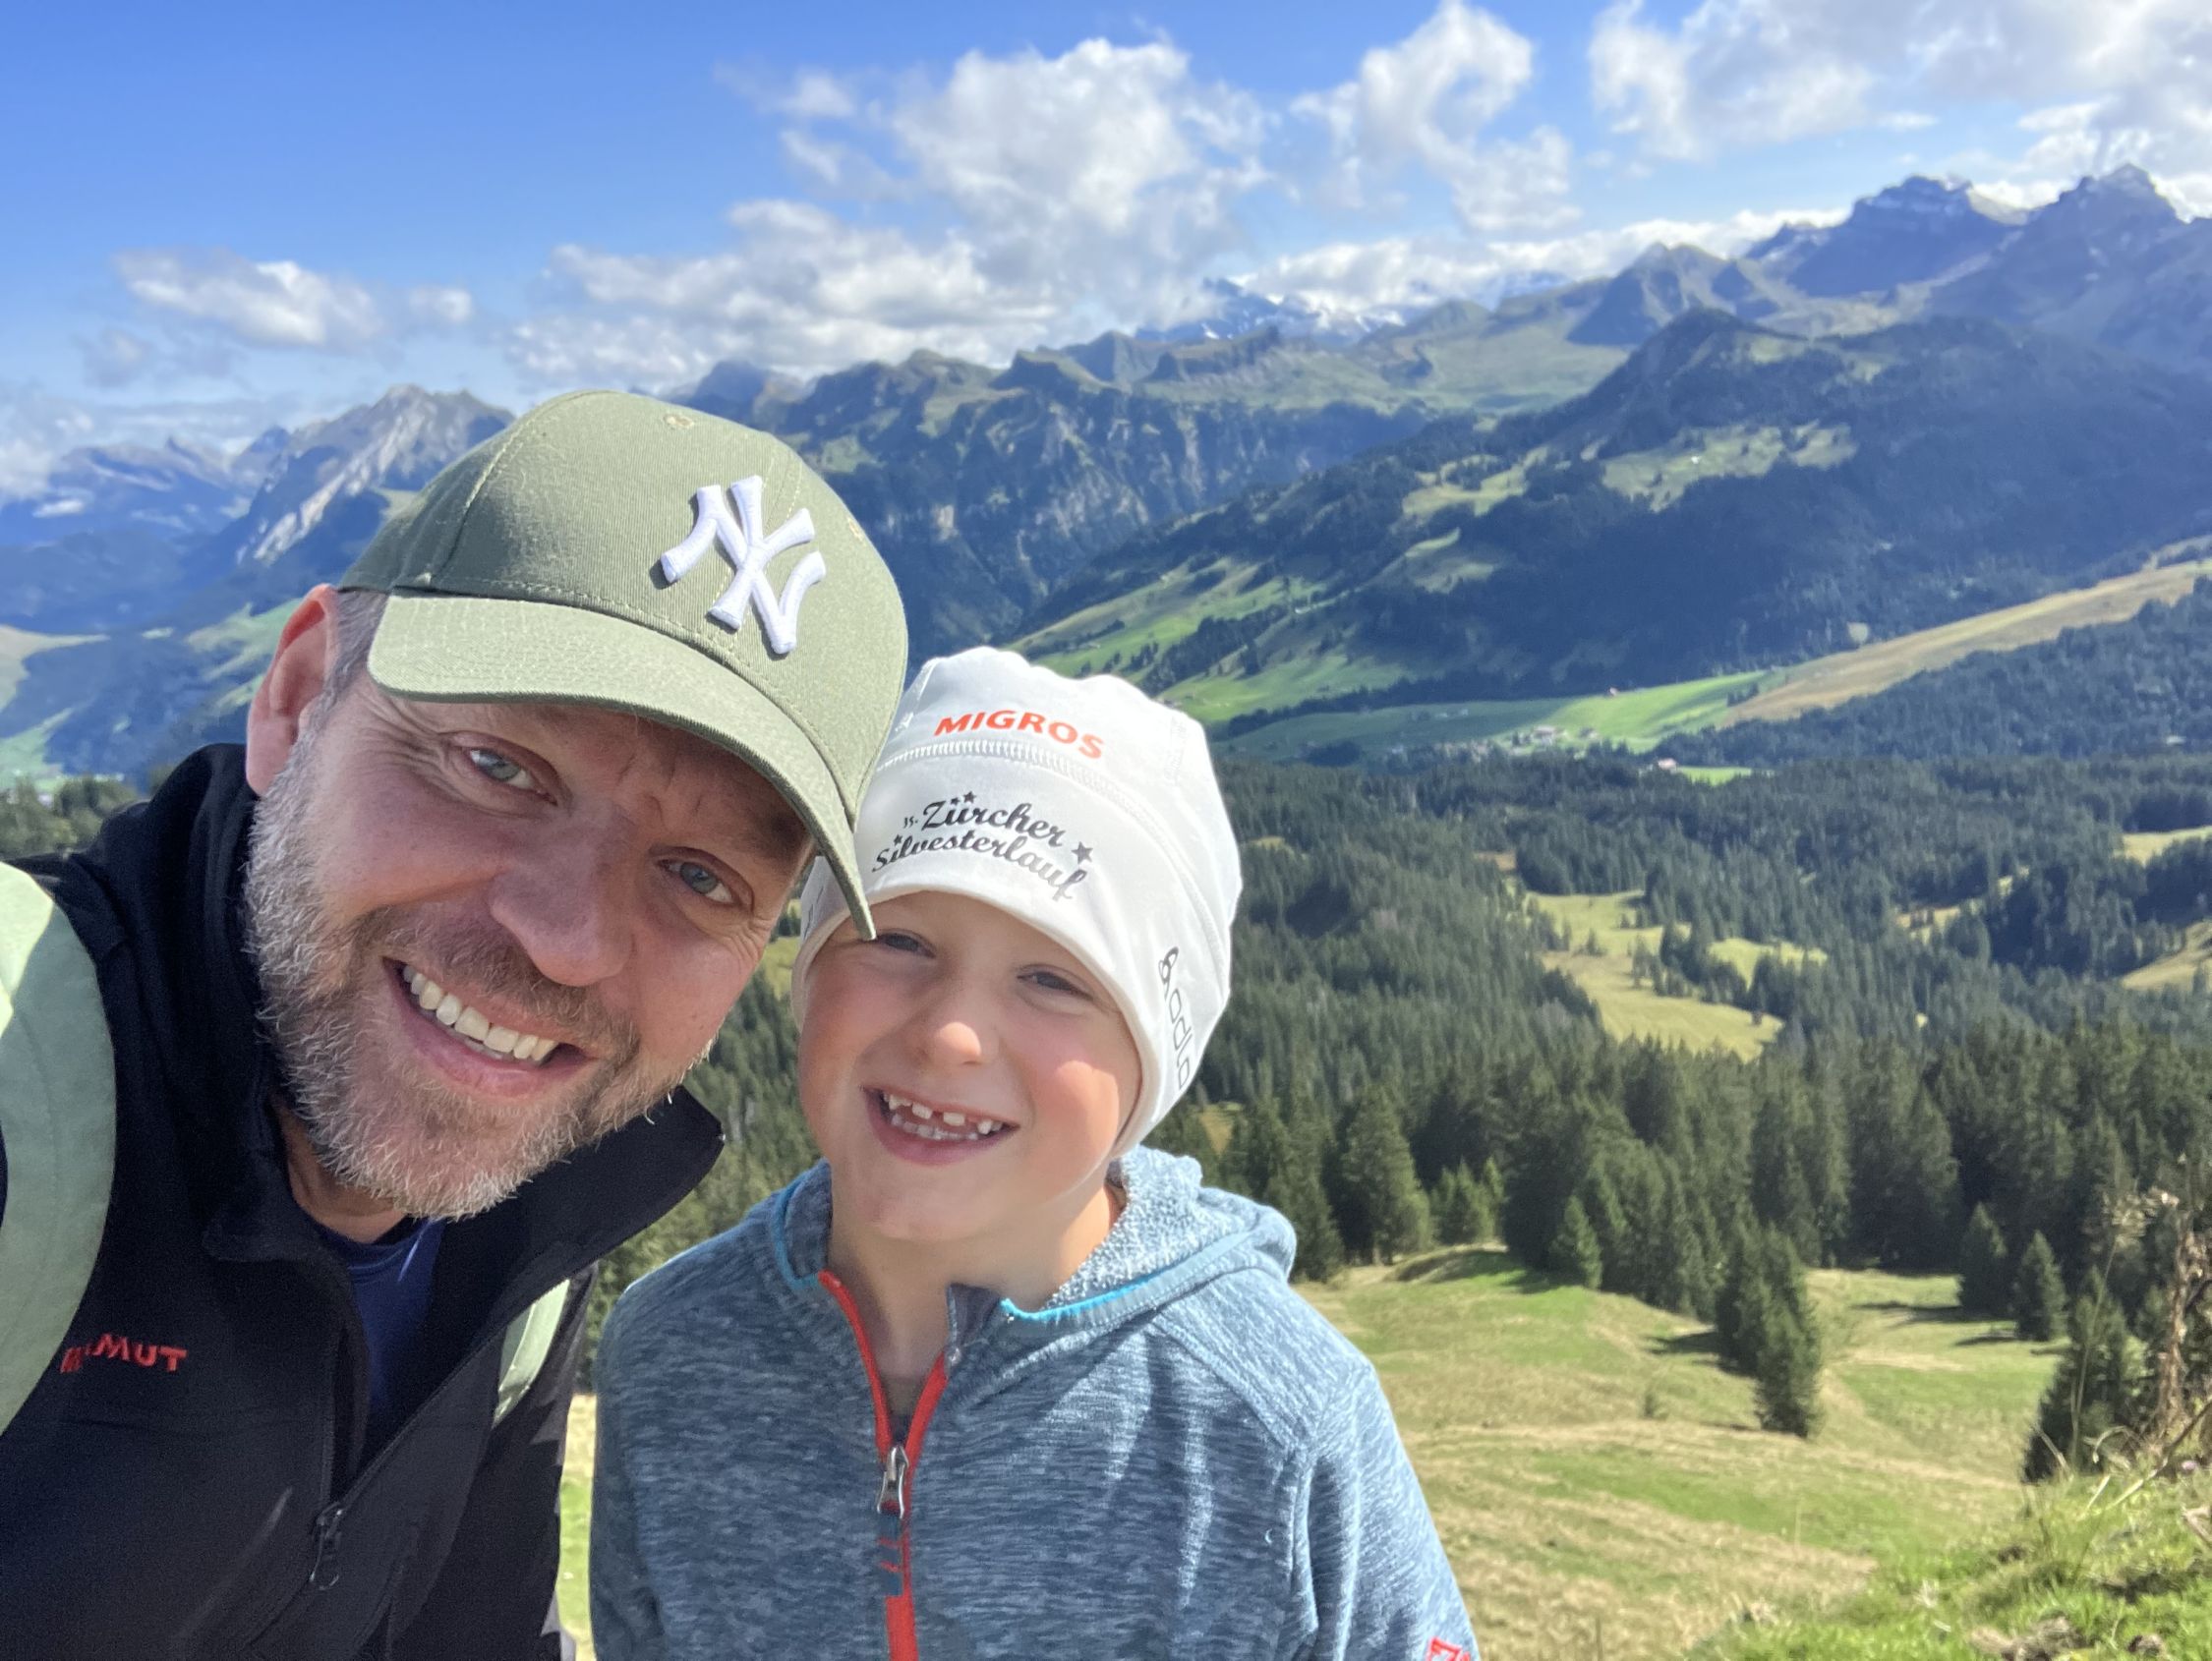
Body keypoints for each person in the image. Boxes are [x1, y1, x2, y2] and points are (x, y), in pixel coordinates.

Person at [0, 390, 908, 1659]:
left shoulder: (529, 1223)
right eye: (498, 766)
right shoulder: (22, 1093)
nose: (568, 940)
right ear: (297, 697)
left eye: (700, 876)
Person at [591, 647, 1479, 1660]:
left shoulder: (1279, 1417)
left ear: (1153, 1058)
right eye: (899, 940)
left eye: (1054, 980)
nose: (950, 1036)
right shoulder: (669, 1354)